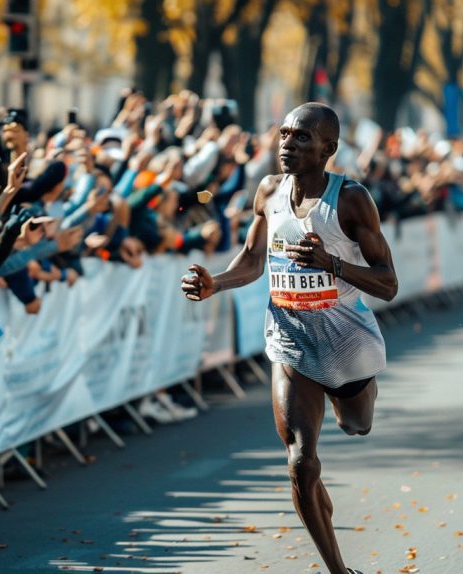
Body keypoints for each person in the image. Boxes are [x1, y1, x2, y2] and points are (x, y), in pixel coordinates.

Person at [181, 103, 398, 574]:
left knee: (356, 426)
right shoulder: (268, 191)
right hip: (289, 337)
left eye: (302, 137)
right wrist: (215, 282)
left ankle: (352, 411)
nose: (288, 144)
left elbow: (388, 283)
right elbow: (253, 259)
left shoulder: (351, 199)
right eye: (284, 134)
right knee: (301, 460)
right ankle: (339, 571)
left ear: (328, 149)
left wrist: (333, 265)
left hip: (346, 342)